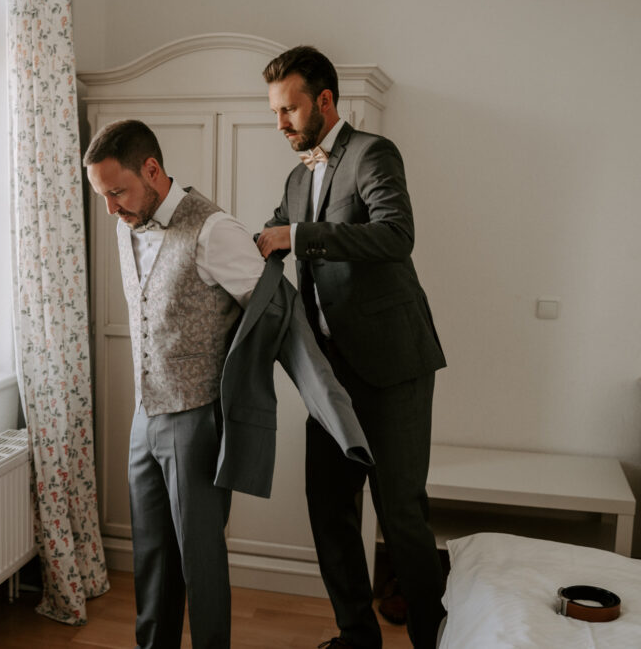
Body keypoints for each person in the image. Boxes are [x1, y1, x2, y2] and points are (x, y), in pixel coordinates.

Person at [256, 46, 447, 649]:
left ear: (326, 101)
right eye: (275, 111)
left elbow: (396, 234)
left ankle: (426, 639)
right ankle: (357, 638)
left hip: (392, 369)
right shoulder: (294, 177)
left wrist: (300, 234)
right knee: (329, 511)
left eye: (289, 109)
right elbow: (270, 243)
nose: (280, 122)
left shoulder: (372, 154)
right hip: (328, 378)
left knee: (401, 518)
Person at [84, 119, 267, 649]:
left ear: (152, 169)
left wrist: (240, 402)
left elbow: (268, 316)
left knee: (200, 558)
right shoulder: (124, 225)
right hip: (146, 414)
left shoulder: (215, 230)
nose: (112, 208)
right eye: (103, 196)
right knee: (152, 555)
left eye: (117, 191)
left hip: (196, 416)